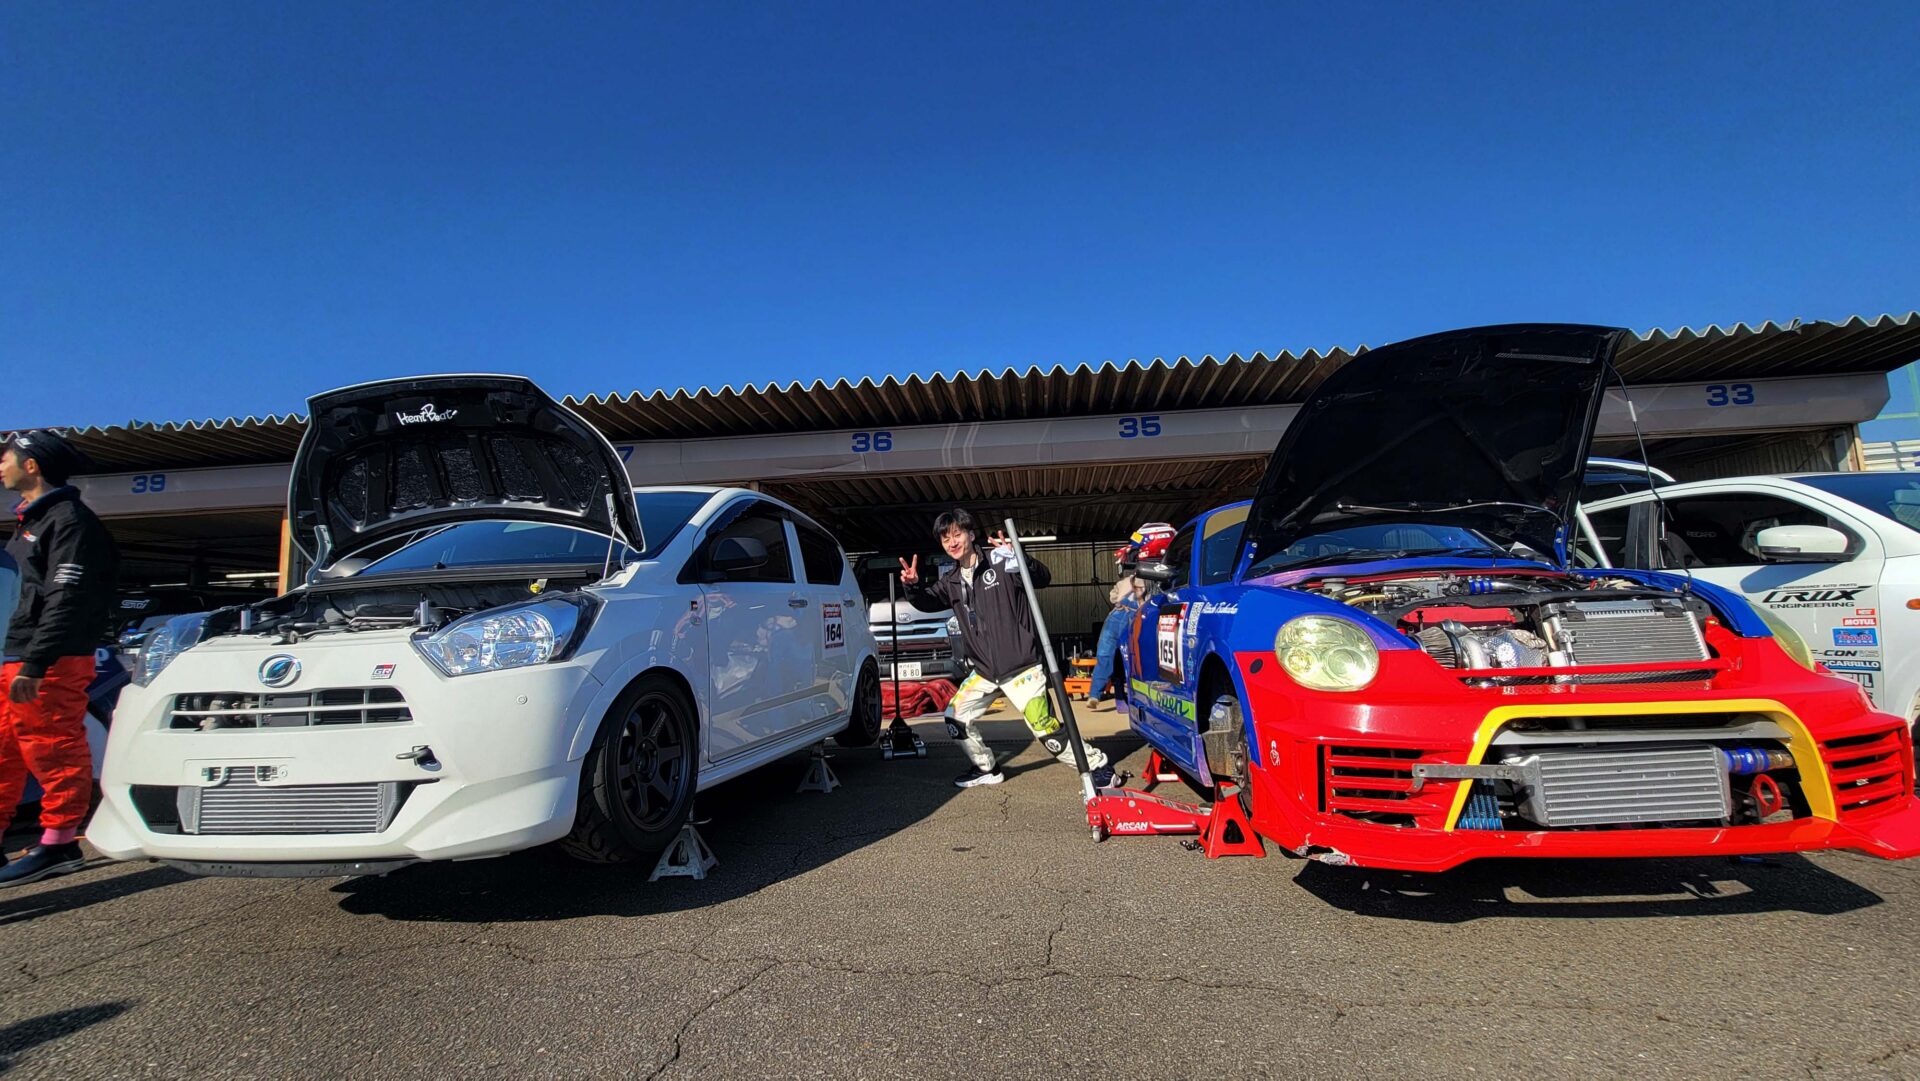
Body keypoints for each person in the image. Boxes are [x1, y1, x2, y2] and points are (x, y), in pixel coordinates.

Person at [901, 509, 1114, 789]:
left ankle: (1098, 766)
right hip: (985, 671)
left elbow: (1043, 578)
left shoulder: (1001, 562)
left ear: (971, 534)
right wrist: (913, 587)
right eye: (945, 539)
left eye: (957, 534)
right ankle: (986, 768)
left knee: (1046, 731)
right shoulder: (951, 581)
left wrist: (1019, 558)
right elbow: (926, 602)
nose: (952, 542)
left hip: (1022, 667)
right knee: (955, 718)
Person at [0, 430, 119, 888]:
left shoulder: (70, 521)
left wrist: (36, 662)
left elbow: (66, 598)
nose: (1, 464)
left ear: (32, 465)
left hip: (49, 659)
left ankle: (59, 843)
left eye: (7, 456)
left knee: (52, 747)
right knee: (4, 751)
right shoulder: (31, 521)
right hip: (15, 654)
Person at [1086, 522, 1175, 711]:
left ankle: (1098, 695)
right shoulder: (1157, 579)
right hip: (1131, 617)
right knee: (1131, 658)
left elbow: (1113, 597)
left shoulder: (1131, 579)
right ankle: (1134, 697)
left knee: (1108, 657)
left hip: (1119, 615)